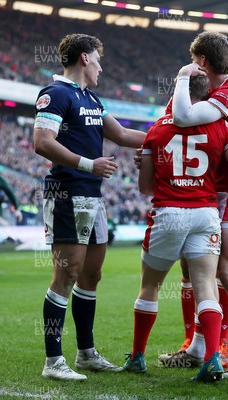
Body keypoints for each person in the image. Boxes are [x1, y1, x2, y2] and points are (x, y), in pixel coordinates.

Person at [123, 76, 228, 382]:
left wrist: (154, 162)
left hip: (171, 213)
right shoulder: (221, 125)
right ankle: (208, 355)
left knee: (152, 285)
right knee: (205, 280)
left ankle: (139, 355)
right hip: (205, 212)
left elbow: (144, 187)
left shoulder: (158, 129)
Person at [33, 33, 146, 381]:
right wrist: (88, 164)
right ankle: (53, 360)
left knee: (91, 275)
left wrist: (174, 133)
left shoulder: (91, 99)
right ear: (84, 58)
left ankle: (85, 353)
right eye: (97, 59)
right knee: (65, 275)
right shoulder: (55, 94)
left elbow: (124, 136)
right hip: (67, 192)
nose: (100, 66)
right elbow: (41, 142)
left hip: (92, 196)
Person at [160, 31, 228, 381]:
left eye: (194, 60)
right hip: (209, 194)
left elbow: (184, 118)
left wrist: (180, 77)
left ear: (201, 61)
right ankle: (196, 346)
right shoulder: (226, 93)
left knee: (227, 273)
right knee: (194, 271)